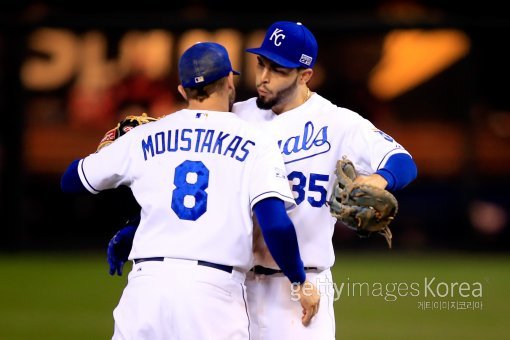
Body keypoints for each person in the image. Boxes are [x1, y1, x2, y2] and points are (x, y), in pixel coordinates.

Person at [106, 21, 418, 339]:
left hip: (301, 288)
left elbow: (402, 161)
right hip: (232, 287)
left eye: (278, 69)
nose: (264, 77)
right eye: (261, 64)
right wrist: (136, 226)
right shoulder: (233, 117)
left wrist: (378, 181)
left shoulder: (339, 123)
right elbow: (190, 180)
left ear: (305, 75)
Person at [61, 41, 320, 339]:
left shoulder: (146, 135)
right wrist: (299, 281)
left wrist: (113, 145)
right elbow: (275, 224)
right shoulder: (256, 141)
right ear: (228, 81)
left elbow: (71, 181)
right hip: (211, 294)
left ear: (183, 91)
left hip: (145, 288)